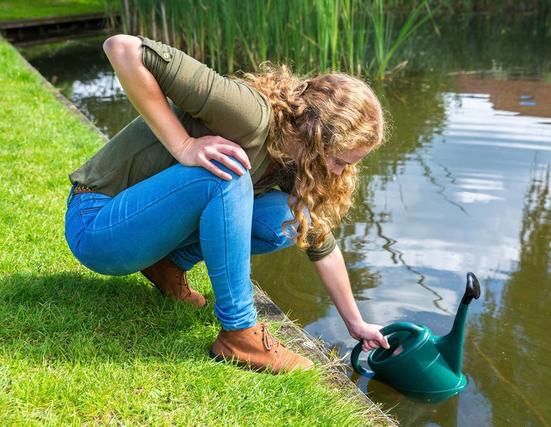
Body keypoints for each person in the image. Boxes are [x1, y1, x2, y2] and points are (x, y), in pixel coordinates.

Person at [64, 34, 390, 373]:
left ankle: (167, 265)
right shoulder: (249, 115)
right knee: (228, 175)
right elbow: (122, 48)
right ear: (315, 135)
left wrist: (356, 323)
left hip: (143, 232)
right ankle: (240, 333)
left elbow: (320, 241)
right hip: (97, 223)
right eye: (342, 159)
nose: (343, 171)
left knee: (292, 218)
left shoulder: (294, 159)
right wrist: (183, 145)